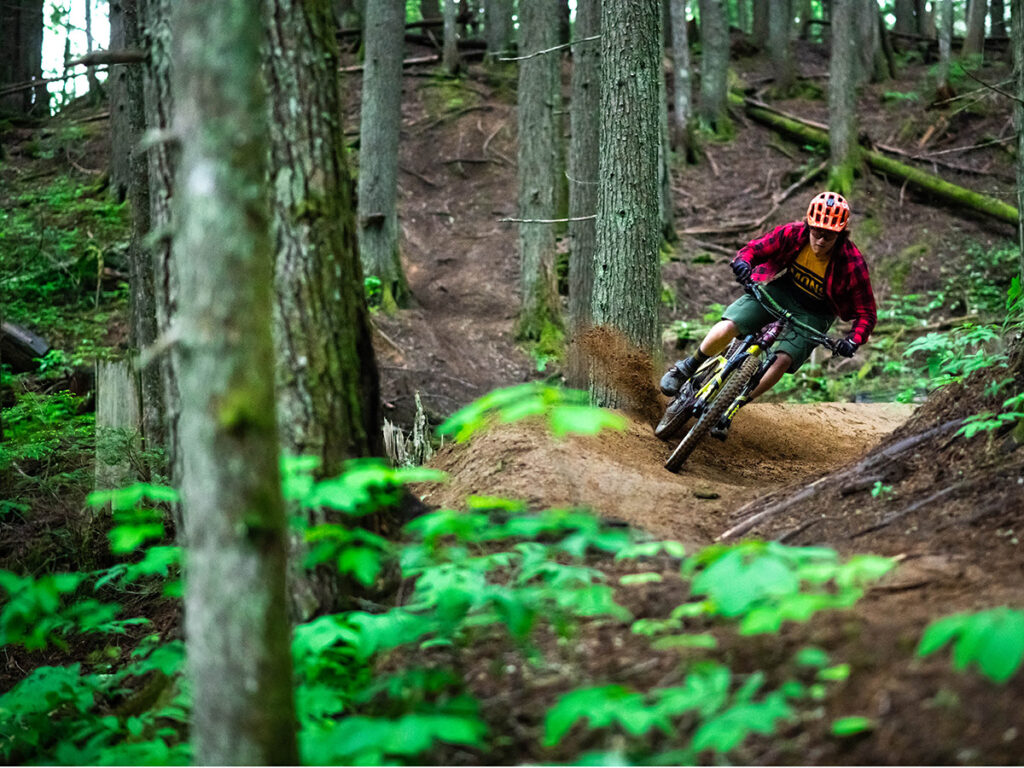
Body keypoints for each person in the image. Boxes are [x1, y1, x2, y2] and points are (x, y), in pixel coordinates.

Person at [659, 191, 877, 439]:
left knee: (783, 359)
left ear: (841, 233)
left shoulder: (851, 262)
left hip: (816, 313)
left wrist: (853, 340)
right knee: (731, 324)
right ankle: (687, 367)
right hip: (782, 291)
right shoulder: (793, 234)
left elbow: (867, 313)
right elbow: (755, 249)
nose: (821, 239)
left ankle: (733, 406)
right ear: (809, 224)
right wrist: (744, 263)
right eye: (817, 231)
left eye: (829, 235)